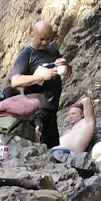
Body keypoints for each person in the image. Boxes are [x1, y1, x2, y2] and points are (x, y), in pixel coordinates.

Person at [10, 20, 71, 148]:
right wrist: (39, 77)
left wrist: (65, 66)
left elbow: (68, 72)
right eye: (41, 39)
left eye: (48, 39)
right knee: (40, 144)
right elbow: (15, 81)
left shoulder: (52, 50)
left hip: (52, 108)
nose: (45, 42)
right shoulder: (26, 55)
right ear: (32, 36)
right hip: (36, 109)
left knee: (54, 147)